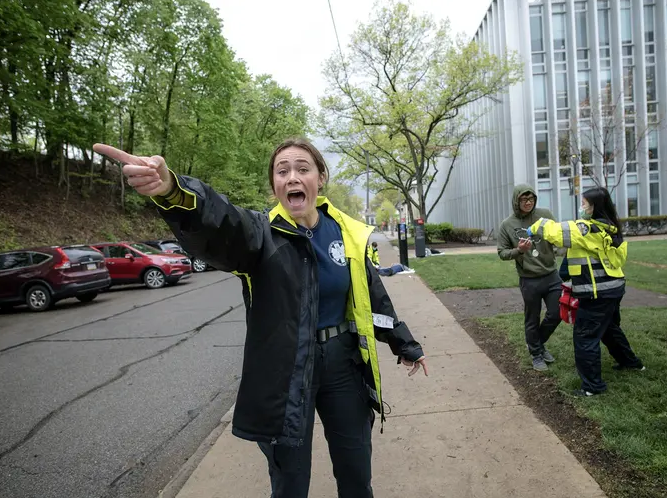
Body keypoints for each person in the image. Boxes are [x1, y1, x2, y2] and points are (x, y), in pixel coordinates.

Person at [93, 137, 429, 498]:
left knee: (356, 472)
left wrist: (404, 342)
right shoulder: (259, 235)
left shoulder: (345, 233)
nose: (292, 177)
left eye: (303, 168)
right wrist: (174, 190)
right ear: (275, 186)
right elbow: (221, 222)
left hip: (343, 365)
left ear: (320, 177)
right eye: (282, 171)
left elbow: (373, 296)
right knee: (290, 484)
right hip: (286, 375)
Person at [528, 186, 644, 396]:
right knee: (608, 329)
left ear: (594, 207)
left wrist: (535, 226)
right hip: (613, 289)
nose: (581, 207)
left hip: (596, 293)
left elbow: (556, 232)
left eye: (584, 204)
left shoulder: (587, 229)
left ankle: (592, 387)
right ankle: (631, 363)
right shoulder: (609, 227)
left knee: (585, 337)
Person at [497, 184, 563, 371]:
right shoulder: (507, 225)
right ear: (516, 201)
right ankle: (536, 354)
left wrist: (561, 246)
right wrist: (519, 250)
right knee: (532, 318)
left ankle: (538, 343)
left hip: (551, 275)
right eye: (524, 199)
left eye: (531, 199)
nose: (528, 202)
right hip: (529, 279)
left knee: (556, 313)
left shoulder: (545, 215)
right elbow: (502, 253)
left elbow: (557, 236)